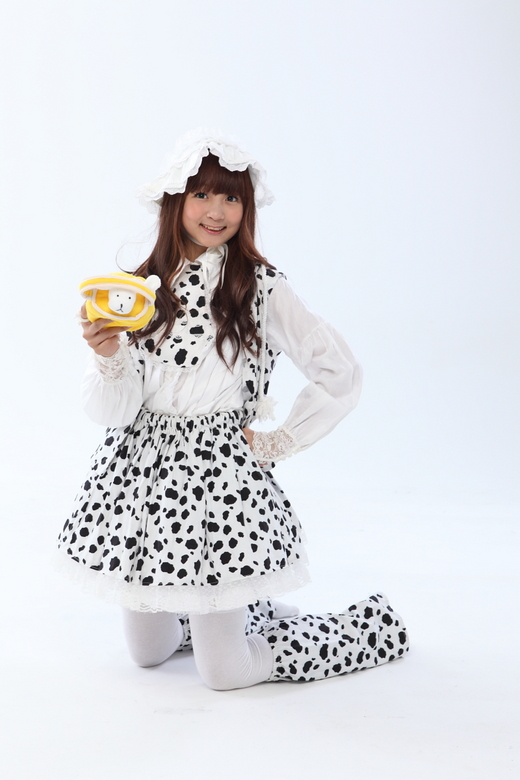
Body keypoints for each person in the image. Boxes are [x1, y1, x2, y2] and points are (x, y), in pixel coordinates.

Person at [57, 130, 409, 690]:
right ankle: (233, 612)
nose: (216, 211)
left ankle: (364, 630)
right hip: (141, 478)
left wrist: (280, 441)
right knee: (147, 654)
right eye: (201, 195)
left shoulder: (259, 287)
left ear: (247, 208)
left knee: (224, 673)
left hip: (218, 478)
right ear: (176, 201)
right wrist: (107, 358)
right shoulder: (138, 289)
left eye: (231, 197)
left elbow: (338, 371)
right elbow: (113, 413)